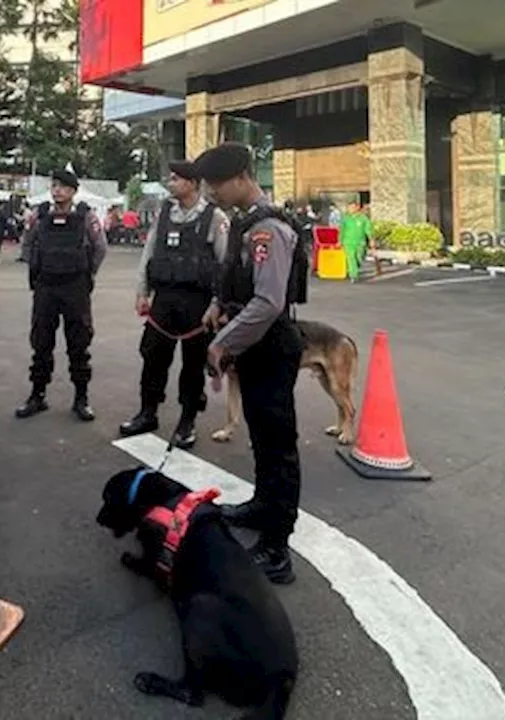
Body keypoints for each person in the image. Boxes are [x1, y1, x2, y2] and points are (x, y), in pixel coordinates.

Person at [194, 142, 305, 585]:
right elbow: (238, 282)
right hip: (252, 342)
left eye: (216, 183)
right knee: (261, 436)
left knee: (278, 446)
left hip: (271, 343)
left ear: (242, 176)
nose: (212, 192)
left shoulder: (269, 230)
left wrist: (221, 343)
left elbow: (267, 302)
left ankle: (277, 547)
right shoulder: (245, 224)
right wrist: (217, 304)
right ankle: (262, 505)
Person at [120, 160, 229, 448]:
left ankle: (187, 421)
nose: (171, 183)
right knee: (152, 359)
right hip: (164, 301)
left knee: (193, 366)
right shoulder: (165, 213)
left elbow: (224, 266)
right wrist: (142, 292)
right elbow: (149, 252)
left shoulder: (214, 218)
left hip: (198, 304)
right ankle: (148, 412)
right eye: (170, 178)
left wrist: (217, 305)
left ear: (193, 184)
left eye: (177, 179)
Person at [15, 169, 108, 421]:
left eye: (63, 187)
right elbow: (27, 242)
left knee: (78, 344)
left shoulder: (85, 216)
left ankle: (81, 398)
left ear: (73, 191)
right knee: (41, 342)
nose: (57, 191)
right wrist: (36, 265)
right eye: (54, 186)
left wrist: (88, 273)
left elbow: (100, 247)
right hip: (46, 286)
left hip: (74, 287)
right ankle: (37, 395)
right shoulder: (39, 214)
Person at [339, 201, 374, 282]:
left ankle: (353, 269)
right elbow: (342, 231)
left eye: (353, 207)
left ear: (357, 207)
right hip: (348, 242)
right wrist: (340, 241)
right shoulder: (346, 219)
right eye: (349, 208)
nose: (351, 209)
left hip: (360, 242)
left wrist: (371, 239)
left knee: (359, 258)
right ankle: (353, 275)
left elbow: (368, 229)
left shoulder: (363, 218)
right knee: (351, 258)